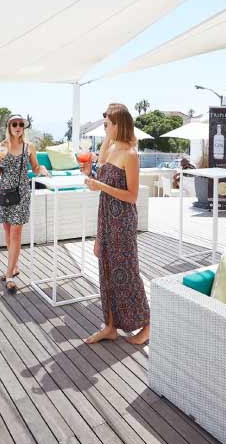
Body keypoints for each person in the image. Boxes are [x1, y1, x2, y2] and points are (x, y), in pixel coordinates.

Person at [84, 103, 150, 345]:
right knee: (106, 272)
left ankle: (148, 324)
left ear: (118, 125)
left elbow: (132, 196)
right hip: (106, 217)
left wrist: (100, 186)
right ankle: (110, 326)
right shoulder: (111, 148)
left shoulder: (130, 155)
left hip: (122, 221)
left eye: (107, 124)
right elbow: (100, 170)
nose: (104, 128)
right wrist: (90, 175)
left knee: (128, 272)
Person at [0, 115, 49, 293]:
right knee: (8, 232)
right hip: (4, 193)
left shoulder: (29, 147)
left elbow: (35, 168)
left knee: (16, 233)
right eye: (14, 124)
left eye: (21, 124)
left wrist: (42, 169)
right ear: (9, 127)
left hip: (22, 194)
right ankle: (14, 266)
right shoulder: (1, 146)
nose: (18, 127)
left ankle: (9, 275)